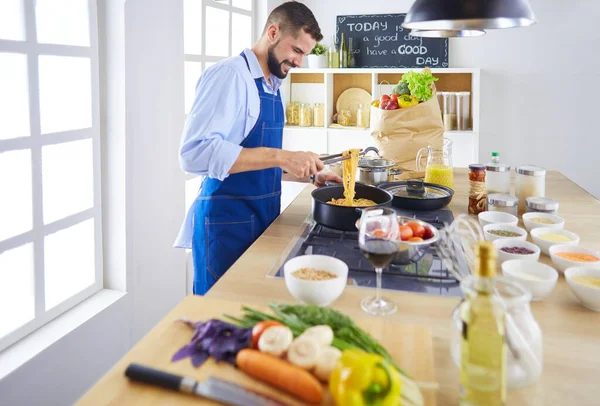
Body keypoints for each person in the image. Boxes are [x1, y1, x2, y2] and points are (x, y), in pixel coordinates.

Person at [174, 1, 341, 295]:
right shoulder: (230, 76)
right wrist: (284, 156)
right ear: (273, 32)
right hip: (226, 225)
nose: (300, 62)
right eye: (297, 50)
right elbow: (194, 153)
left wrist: (309, 176)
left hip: (261, 221)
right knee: (221, 320)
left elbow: (253, 166)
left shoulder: (271, 85)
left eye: (305, 53)